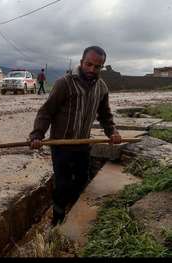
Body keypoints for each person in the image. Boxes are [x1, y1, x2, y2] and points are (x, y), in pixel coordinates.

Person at [29, 46, 122, 226]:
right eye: (89, 64)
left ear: (101, 67)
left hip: (83, 145)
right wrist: (37, 134)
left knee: (81, 181)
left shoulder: (101, 88)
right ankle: (57, 217)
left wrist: (113, 132)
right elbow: (46, 112)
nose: (92, 69)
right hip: (61, 145)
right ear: (81, 62)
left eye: (97, 66)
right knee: (62, 184)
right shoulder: (64, 83)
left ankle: (73, 210)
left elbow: (105, 115)